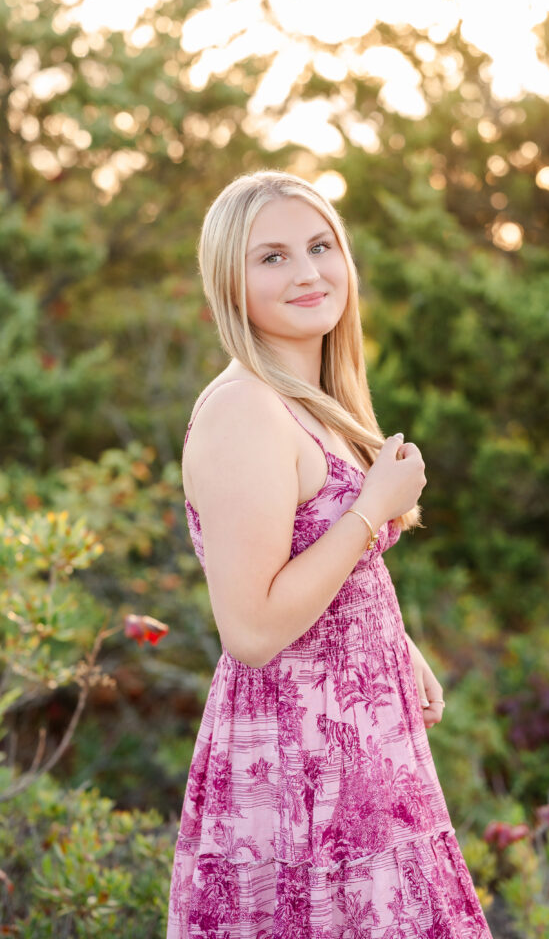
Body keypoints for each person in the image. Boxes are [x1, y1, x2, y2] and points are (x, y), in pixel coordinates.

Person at [166, 169, 494, 938]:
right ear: (228, 282)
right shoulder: (244, 410)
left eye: (320, 247)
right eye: (271, 257)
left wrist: (395, 646)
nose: (307, 272)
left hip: (357, 745)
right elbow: (250, 630)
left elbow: (317, 566)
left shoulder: (309, 403)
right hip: (294, 761)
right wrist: (372, 508)